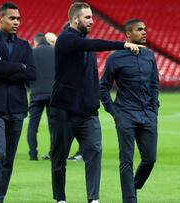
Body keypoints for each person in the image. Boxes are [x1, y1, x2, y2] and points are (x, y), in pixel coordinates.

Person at [49, 2, 144, 203]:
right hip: (64, 110)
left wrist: (95, 103)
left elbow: (91, 74)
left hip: (87, 113)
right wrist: (123, 44)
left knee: (94, 153)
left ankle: (93, 199)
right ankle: (60, 199)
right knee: (59, 159)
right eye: (87, 17)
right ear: (75, 19)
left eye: (92, 17)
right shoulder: (67, 39)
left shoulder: (86, 44)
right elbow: (90, 45)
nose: (92, 21)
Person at [0, 2, 36, 202]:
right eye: (12, 18)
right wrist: (19, 67)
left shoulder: (24, 45)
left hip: (18, 108)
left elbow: (32, 73)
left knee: (9, 159)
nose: (16, 22)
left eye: (18, 19)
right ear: (0, 19)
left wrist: (9, 68)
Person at [99, 18, 159, 203]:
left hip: (147, 115)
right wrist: (114, 112)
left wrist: (154, 109)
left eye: (145, 29)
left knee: (150, 159)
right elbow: (103, 87)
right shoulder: (115, 57)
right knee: (126, 160)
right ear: (128, 34)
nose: (144, 32)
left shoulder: (149, 56)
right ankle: (129, 200)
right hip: (125, 115)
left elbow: (154, 84)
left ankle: (133, 186)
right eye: (139, 29)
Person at [27, 32, 55, 161]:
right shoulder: (55, 52)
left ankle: (33, 154)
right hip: (53, 94)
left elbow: (26, 72)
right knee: (53, 126)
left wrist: (30, 87)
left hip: (36, 94)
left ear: (35, 42)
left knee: (33, 126)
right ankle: (53, 152)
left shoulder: (31, 53)